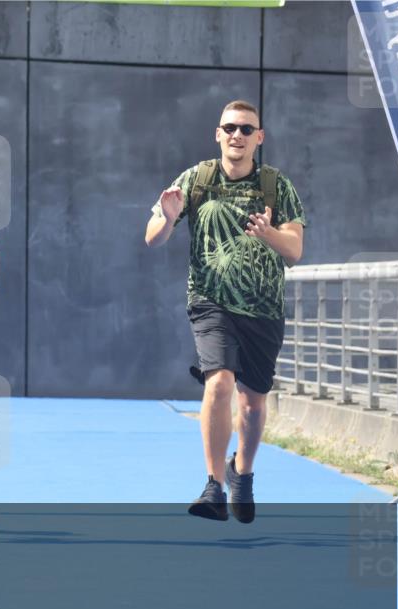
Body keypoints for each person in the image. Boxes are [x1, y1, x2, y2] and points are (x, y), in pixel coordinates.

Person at [145, 100, 306, 523]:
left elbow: (295, 250)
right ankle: (213, 484)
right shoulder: (195, 180)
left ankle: (243, 473)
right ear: (218, 133)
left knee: (252, 406)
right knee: (218, 382)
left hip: (263, 308)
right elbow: (152, 238)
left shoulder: (276, 186)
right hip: (210, 301)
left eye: (246, 129)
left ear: (259, 137)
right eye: (229, 127)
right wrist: (167, 217)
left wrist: (269, 232)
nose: (237, 135)